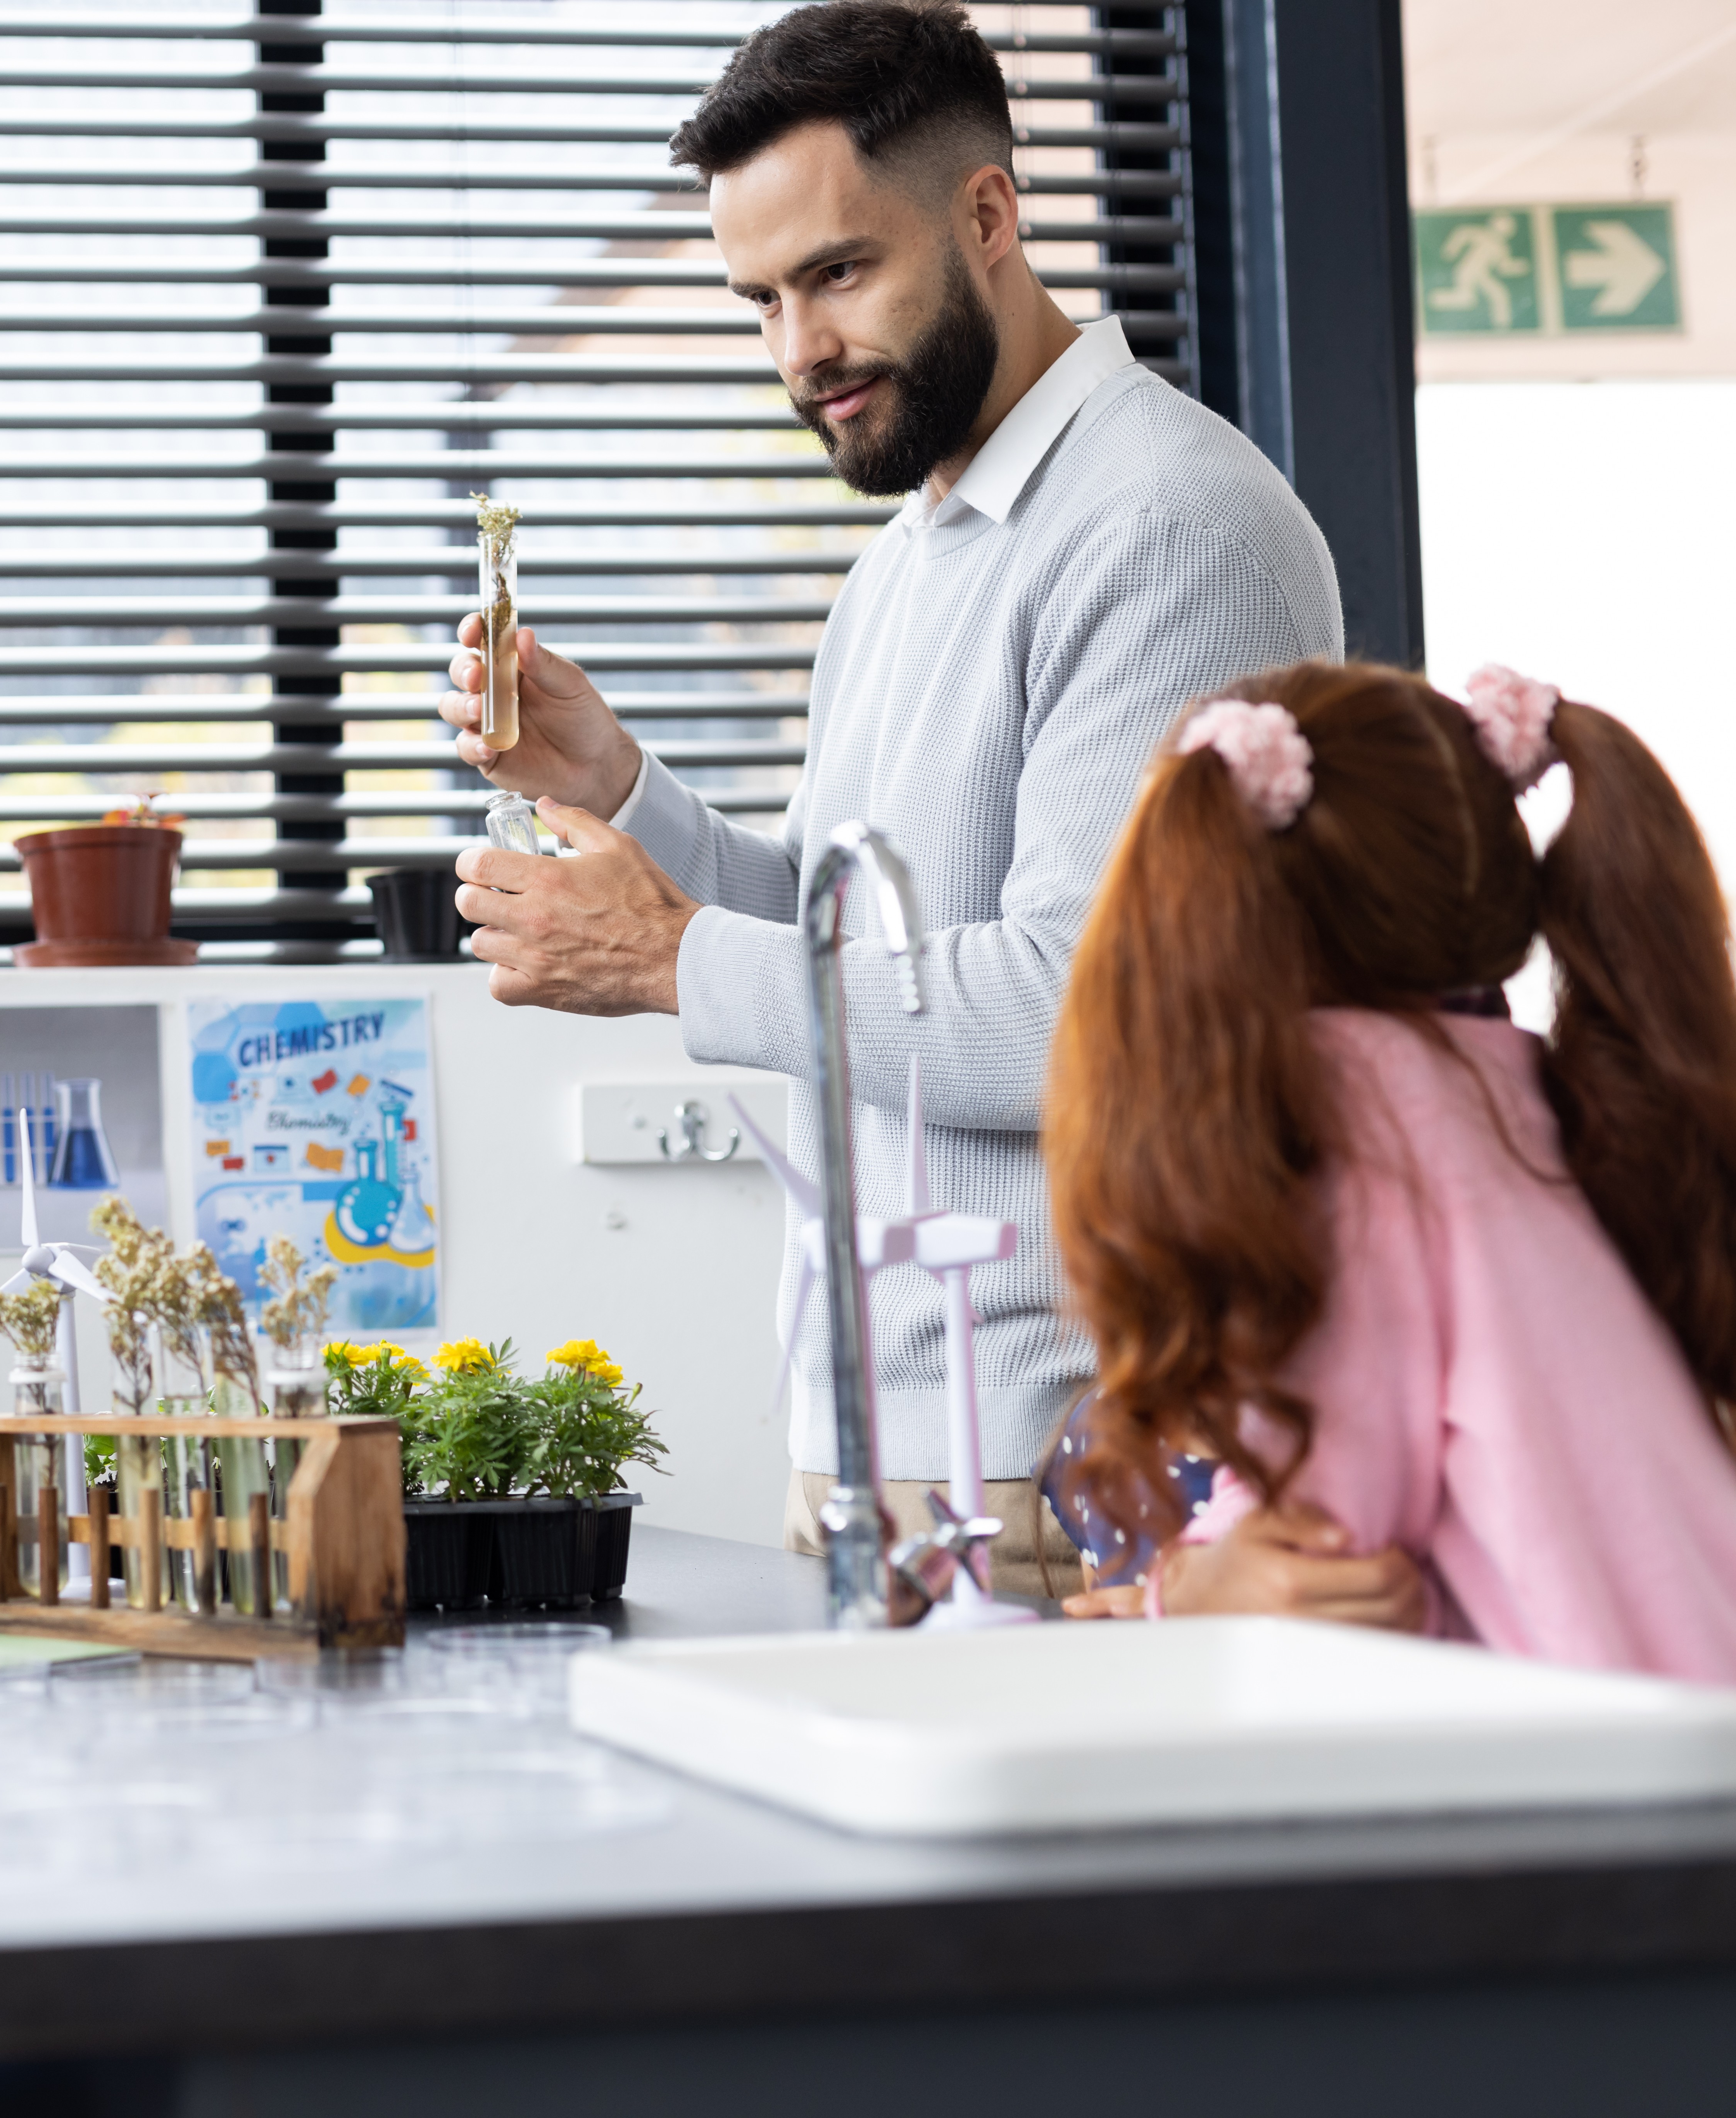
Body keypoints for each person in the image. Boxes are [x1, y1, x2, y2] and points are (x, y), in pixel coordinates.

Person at [441, 0, 1343, 1596]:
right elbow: (853, 929)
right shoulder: (906, 560)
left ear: (986, 214)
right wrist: (622, 792)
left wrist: (664, 960)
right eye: (761, 300)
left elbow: (1085, 1004)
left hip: (1067, 1449)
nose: (798, 352)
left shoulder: (1171, 528)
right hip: (877, 1435)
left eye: (838, 274)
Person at [1045, 663, 1736, 1679]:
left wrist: (1182, 1592)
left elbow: (1329, 1559)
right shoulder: (1522, 1093)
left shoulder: (1365, 1125)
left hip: (1615, 1758)